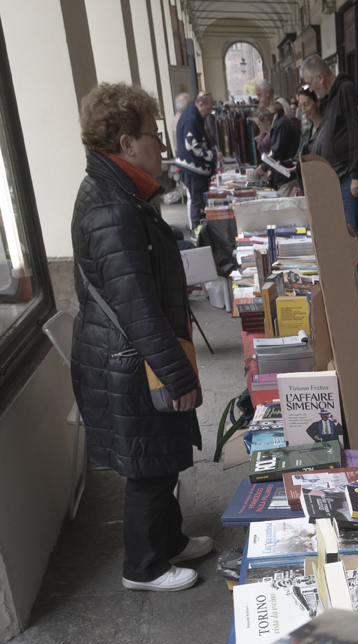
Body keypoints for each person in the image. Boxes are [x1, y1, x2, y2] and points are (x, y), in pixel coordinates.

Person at [72, 83, 210, 593]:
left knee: (162, 453)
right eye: (153, 135)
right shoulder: (113, 207)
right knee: (148, 465)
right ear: (127, 144)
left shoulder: (121, 191)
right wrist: (176, 374)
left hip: (128, 354)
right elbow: (135, 306)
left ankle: (169, 540)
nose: (161, 145)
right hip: (128, 358)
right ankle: (143, 566)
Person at [301, 53, 358, 256]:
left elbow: (357, 132)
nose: (311, 89)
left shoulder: (346, 90)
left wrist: (356, 174)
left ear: (320, 77)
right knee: (344, 233)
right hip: (338, 176)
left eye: (310, 83)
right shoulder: (331, 98)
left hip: (350, 176)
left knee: (355, 234)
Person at [175, 91, 215, 229]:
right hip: (192, 167)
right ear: (200, 104)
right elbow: (191, 145)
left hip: (194, 167)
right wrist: (213, 156)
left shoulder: (193, 116)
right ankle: (197, 233)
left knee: (198, 200)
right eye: (209, 108)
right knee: (197, 201)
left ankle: (198, 231)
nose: (210, 112)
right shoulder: (191, 118)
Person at [293, 84, 325, 191]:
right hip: (310, 185)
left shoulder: (327, 130)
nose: (303, 109)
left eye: (306, 104)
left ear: (318, 102)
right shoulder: (307, 132)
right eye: (301, 105)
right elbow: (299, 156)